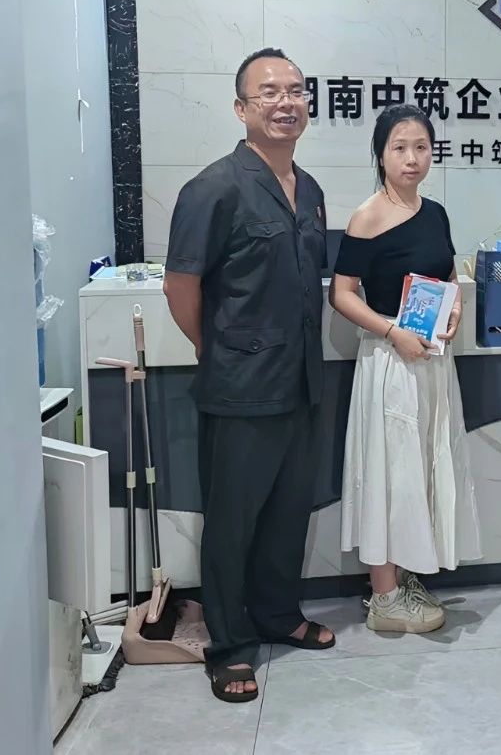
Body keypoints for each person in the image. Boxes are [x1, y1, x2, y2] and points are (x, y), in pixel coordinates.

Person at [163, 47, 335, 704]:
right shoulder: (212, 189)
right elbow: (181, 286)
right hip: (240, 389)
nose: (285, 101)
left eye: (296, 90)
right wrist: (219, 350)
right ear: (242, 108)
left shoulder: (309, 191)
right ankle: (230, 646)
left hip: (301, 384)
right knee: (233, 523)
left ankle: (277, 614)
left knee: (289, 512)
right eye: (269, 92)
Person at [330, 103, 481, 634]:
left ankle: (406, 574)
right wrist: (392, 330)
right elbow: (341, 294)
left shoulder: (435, 213)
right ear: (381, 154)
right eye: (400, 148)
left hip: (433, 361)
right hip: (390, 360)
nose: (412, 158)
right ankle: (384, 595)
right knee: (389, 471)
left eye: (421, 147)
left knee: (422, 467)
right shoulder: (367, 216)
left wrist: (455, 309)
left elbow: (447, 277)